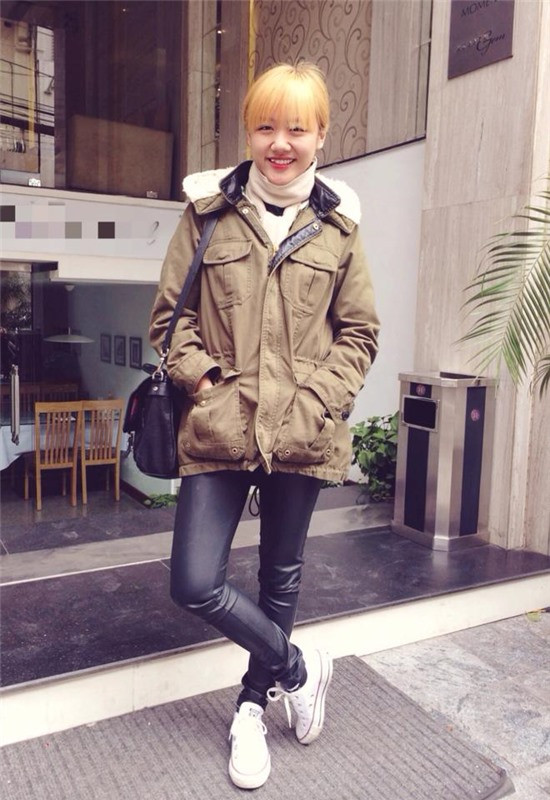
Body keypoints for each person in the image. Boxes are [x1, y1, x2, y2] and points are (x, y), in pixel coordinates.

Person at [149, 61, 379, 790]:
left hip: (302, 429)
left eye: (296, 129)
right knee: (195, 582)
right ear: (249, 131)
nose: (280, 143)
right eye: (266, 126)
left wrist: (319, 401)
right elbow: (170, 321)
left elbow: (360, 333)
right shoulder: (207, 213)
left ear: (321, 136)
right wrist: (206, 383)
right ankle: (299, 669)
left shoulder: (339, 228)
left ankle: (252, 706)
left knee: (281, 575)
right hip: (222, 426)